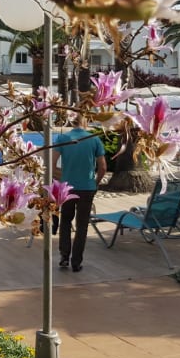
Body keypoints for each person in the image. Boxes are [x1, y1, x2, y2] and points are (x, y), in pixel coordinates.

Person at [52, 114, 106, 272]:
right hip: (87, 188)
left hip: (67, 187)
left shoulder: (63, 138)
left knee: (66, 221)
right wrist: (95, 183)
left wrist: (65, 175)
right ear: (86, 121)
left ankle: (64, 256)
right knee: (82, 225)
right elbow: (102, 167)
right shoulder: (94, 139)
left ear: (71, 121)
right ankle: (76, 262)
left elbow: (52, 164)